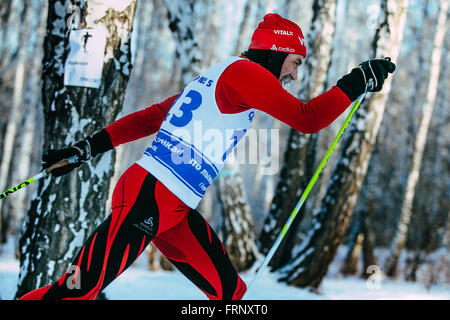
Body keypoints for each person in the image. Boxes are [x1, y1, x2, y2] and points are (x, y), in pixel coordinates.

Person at [19, 13, 395, 300]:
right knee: (74, 291)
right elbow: (307, 118)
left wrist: (88, 147)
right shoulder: (245, 73)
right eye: (296, 62)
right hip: (148, 198)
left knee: (231, 296)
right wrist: (358, 79)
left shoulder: (222, 76)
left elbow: (153, 116)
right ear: (278, 51)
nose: (295, 75)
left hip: (173, 210)